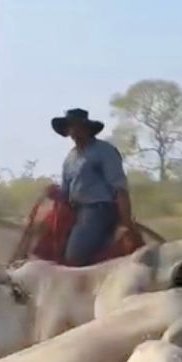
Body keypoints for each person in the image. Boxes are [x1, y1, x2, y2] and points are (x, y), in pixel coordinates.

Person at [51, 107, 134, 266]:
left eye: (77, 126)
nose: (73, 131)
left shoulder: (104, 151)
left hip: (99, 210)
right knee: (47, 241)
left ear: (87, 129)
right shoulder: (70, 158)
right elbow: (65, 192)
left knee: (74, 255)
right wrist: (54, 193)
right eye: (70, 127)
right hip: (76, 209)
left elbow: (120, 188)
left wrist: (127, 222)